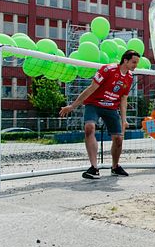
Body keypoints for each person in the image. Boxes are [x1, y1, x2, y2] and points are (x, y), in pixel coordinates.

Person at [60, 50, 140, 179]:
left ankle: (115, 167)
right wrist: (72, 106)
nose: (135, 65)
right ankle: (94, 168)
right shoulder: (107, 70)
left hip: (111, 107)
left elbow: (124, 99)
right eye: (134, 62)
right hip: (94, 104)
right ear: (125, 61)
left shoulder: (129, 77)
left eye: (137, 63)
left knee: (119, 139)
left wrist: (124, 119)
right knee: (89, 128)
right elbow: (91, 88)